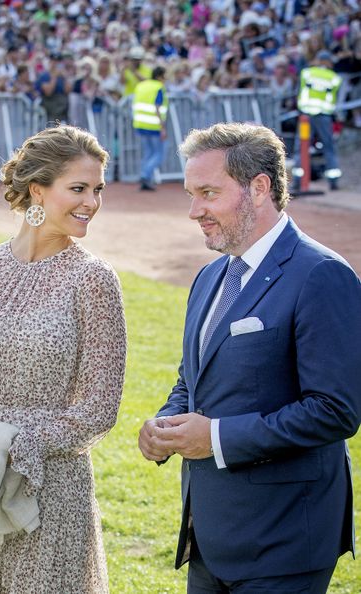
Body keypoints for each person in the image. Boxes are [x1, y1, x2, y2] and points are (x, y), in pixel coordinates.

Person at [139, 122, 361, 594]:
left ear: (259, 187)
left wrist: (216, 437)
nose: (194, 210)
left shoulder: (321, 274)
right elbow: (193, 379)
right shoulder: (209, 277)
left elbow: (335, 410)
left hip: (283, 542)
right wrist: (168, 421)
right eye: (190, 194)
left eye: (208, 193)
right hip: (211, 537)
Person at [0, 125, 127, 593]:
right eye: (78, 189)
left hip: (48, 489)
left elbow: (99, 407)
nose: (91, 203)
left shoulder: (93, 281)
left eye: (97, 190)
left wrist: (26, 444)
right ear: (38, 189)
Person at [292, 50, 342, 191]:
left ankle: (298, 180)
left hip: (305, 117)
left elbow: (299, 91)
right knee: (329, 147)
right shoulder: (334, 77)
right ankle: (333, 181)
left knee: (301, 147)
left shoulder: (307, 73)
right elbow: (334, 96)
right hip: (324, 116)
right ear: (327, 62)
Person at [133, 66, 168, 191]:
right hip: (154, 125)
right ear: (159, 76)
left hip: (140, 124)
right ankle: (145, 175)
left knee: (148, 153)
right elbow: (157, 106)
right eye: (165, 76)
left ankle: (145, 178)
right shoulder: (158, 87)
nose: (166, 79)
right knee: (159, 154)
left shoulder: (141, 85)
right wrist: (163, 127)